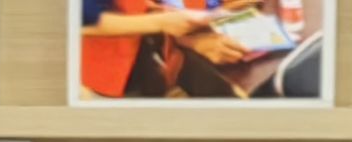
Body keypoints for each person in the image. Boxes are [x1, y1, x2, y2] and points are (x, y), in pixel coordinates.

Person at [79, 0, 242, 100]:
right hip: (112, 73)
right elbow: (81, 19)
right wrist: (162, 23)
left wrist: (193, 39)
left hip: (158, 63)